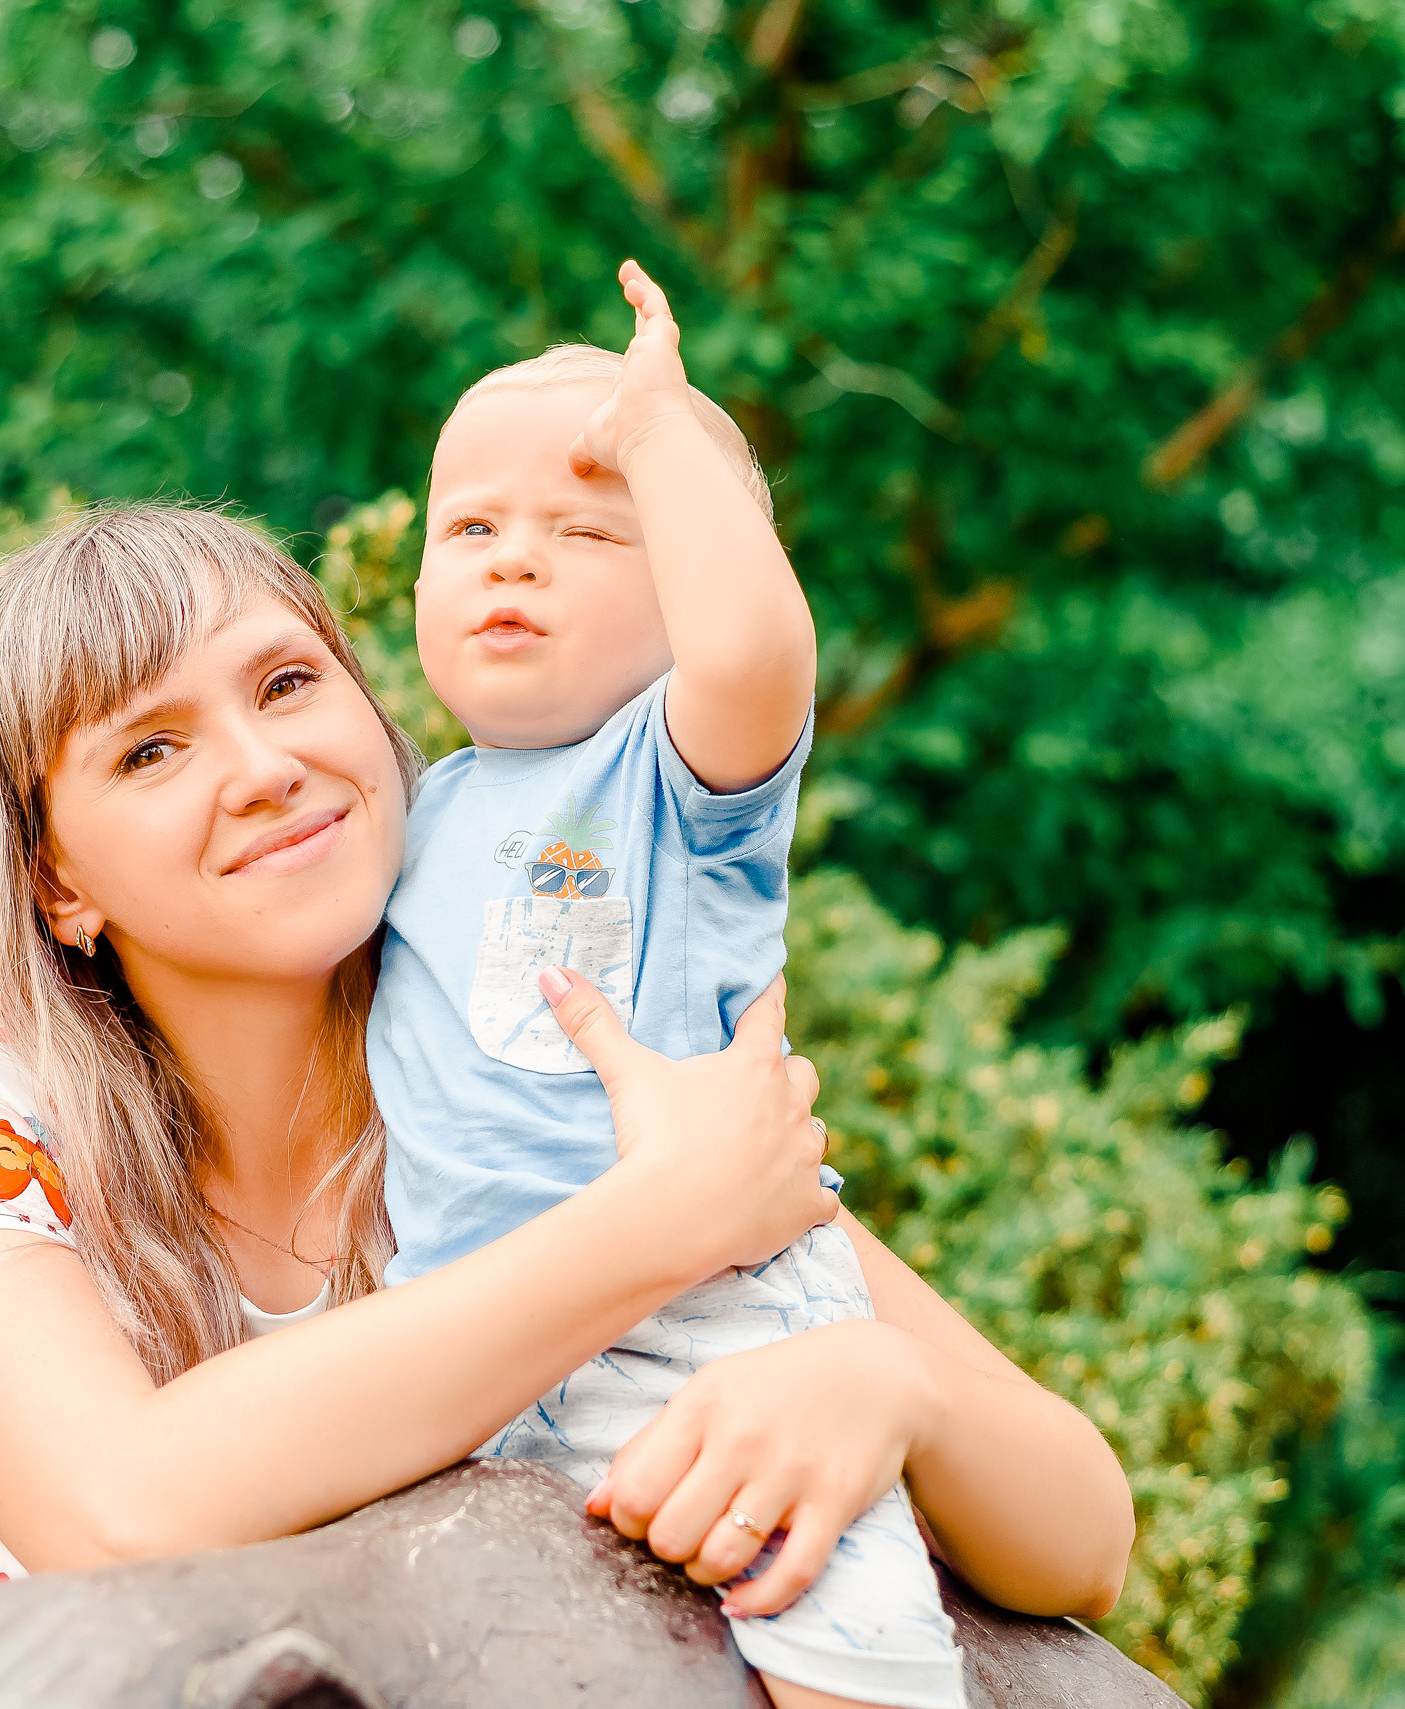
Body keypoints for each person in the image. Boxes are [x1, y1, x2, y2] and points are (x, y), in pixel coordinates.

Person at [0, 504, 1134, 1693]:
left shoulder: (554, 1051)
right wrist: (660, 1221)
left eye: (288, 684)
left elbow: (1085, 1543)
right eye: (150, 749)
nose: (263, 766)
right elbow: (110, 1509)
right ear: (56, 882)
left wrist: (879, 1386)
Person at [371, 261, 953, 1708]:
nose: (516, 558)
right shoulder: (410, 811)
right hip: (473, 1341)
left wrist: (661, 437)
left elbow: (757, 645)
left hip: (707, 1329)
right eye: (474, 528)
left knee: (834, 1639)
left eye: (587, 527)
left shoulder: (677, 776)